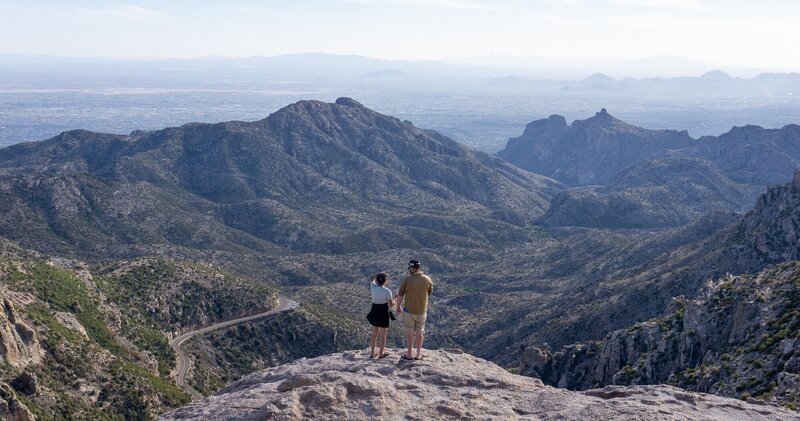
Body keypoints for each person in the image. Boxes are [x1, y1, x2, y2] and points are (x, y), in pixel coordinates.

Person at [395, 259, 433, 360]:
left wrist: (398, 306)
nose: (409, 270)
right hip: (422, 311)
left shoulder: (407, 279)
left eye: (409, 268)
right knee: (420, 332)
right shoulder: (427, 279)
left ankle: (409, 354)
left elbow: (400, 295)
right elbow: (429, 292)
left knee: (409, 332)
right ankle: (418, 354)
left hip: (408, 311)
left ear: (412, 268)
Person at [366, 272, 393, 358]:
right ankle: (381, 353)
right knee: (383, 334)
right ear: (385, 281)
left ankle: (372, 353)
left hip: (375, 310)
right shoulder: (387, 291)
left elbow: (371, 278)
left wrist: (379, 273)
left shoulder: (373, 287)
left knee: (374, 333)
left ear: (377, 280)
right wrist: (395, 300)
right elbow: (391, 304)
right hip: (383, 312)